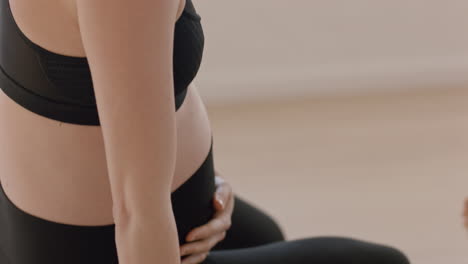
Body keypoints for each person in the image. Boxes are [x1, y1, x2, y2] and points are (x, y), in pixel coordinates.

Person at [0, 0, 411, 263]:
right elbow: (136, 214)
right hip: (110, 242)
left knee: (262, 233)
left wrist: (193, 182)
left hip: (153, 207)